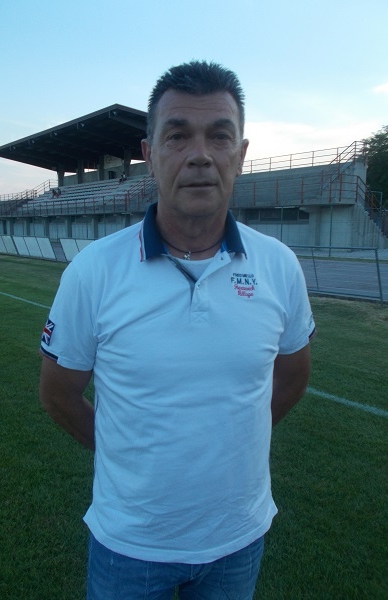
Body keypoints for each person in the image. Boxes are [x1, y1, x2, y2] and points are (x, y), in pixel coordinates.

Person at [40, 60, 316, 600]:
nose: (200, 155)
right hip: (130, 542)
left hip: (238, 538)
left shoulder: (279, 266)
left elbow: (293, 376)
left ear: (241, 153)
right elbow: (58, 394)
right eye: (178, 135)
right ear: (150, 154)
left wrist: (233, 443)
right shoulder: (94, 270)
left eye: (219, 136)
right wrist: (125, 456)